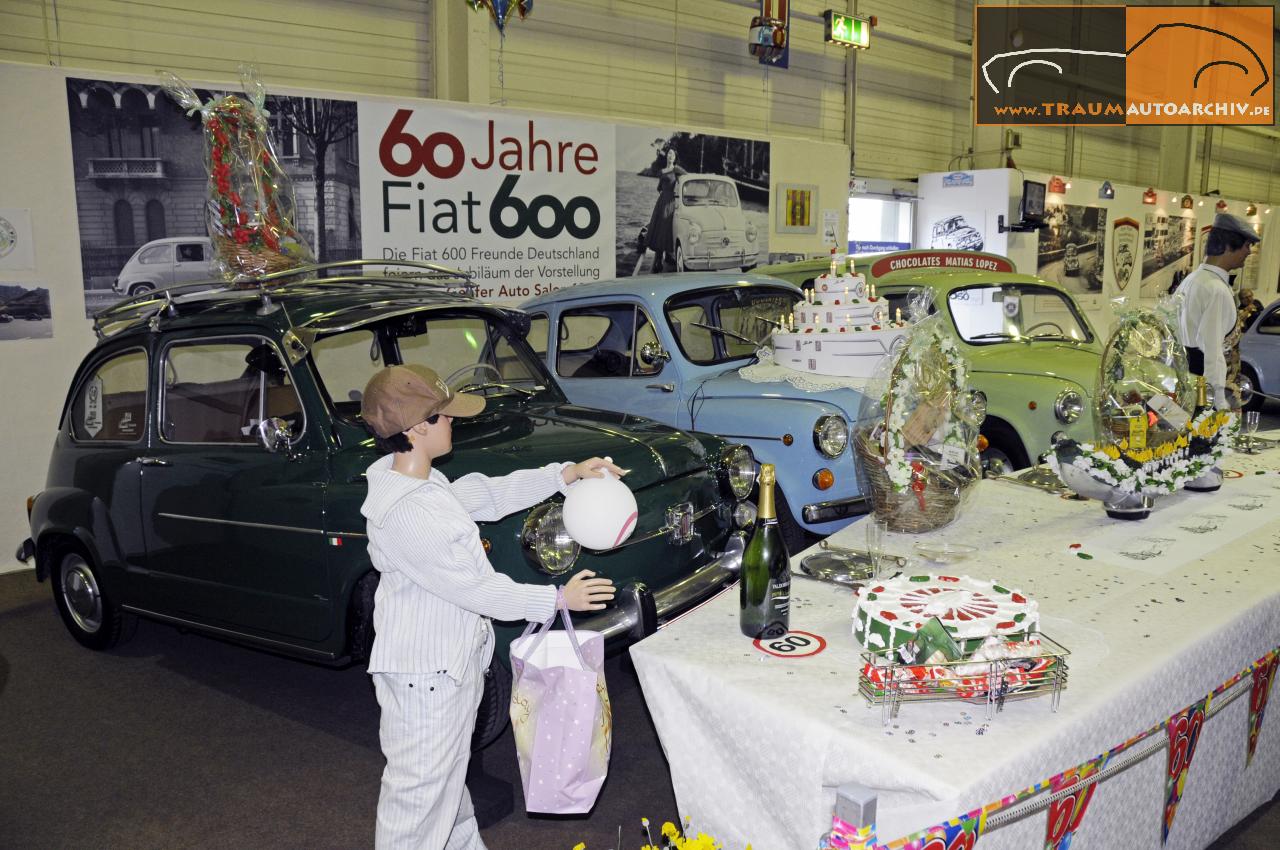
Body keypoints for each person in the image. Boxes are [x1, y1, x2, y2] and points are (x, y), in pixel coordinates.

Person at [358, 363, 618, 850]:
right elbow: (475, 589)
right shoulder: (410, 512)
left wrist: (565, 475)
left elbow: (482, 493)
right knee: (417, 804)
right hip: (427, 678)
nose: (454, 421)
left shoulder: (417, 482)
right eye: (445, 416)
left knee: (447, 790)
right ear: (415, 428)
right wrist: (557, 598)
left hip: (442, 671)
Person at [1173, 212, 1260, 410]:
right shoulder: (1216, 290)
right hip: (1206, 395)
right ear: (1228, 246)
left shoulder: (1192, 280)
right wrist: (1217, 406)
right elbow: (1212, 353)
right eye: (1247, 245)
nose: (1249, 252)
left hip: (1188, 387)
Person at [643, 147, 686, 273]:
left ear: (675, 157)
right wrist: (664, 193)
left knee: (667, 228)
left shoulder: (676, 169)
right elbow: (659, 187)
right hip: (662, 201)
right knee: (659, 229)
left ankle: (665, 256)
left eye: (672, 154)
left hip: (671, 202)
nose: (670, 155)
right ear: (666, 156)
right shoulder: (662, 171)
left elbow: (687, 178)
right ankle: (658, 258)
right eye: (669, 153)